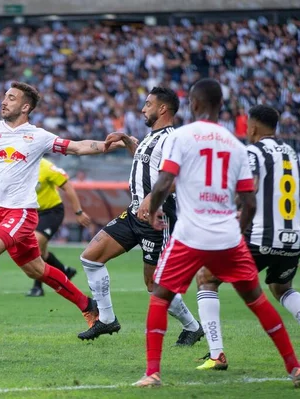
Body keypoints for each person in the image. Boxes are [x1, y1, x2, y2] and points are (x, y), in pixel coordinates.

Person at [0, 81, 136, 332]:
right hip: (2, 214)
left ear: (25, 107)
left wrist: (122, 144)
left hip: (23, 213)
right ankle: (88, 306)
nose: (4, 101)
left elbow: (78, 147)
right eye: (4, 96)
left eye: (11, 98)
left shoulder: (38, 136)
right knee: (36, 270)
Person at [134, 78, 300, 387]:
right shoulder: (236, 145)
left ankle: (152, 373)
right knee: (258, 300)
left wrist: (154, 207)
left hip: (190, 234)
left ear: (194, 104)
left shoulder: (181, 137)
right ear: (221, 106)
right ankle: (294, 368)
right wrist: (236, 233)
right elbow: (249, 203)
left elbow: (164, 180)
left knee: (160, 295)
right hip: (227, 236)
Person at [77, 87, 202, 345]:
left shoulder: (172, 139)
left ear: (163, 109)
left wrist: (152, 198)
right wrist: (126, 140)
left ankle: (192, 327)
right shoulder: (150, 137)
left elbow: (179, 176)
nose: (143, 109)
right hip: (134, 213)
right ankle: (108, 319)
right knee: (90, 258)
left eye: (148, 104)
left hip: (159, 216)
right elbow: (146, 161)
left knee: (153, 284)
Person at [195, 105, 300, 371]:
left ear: (252, 127)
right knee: (282, 288)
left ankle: (216, 354)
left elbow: (248, 190)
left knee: (206, 277)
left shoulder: (251, 152)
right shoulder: (292, 154)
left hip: (259, 236)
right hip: (292, 238)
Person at [26, 157, 91, 297]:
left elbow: (68, 187)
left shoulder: (46, 167)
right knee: (42, 254)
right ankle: (65, 270)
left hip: (51, 212)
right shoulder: (19, 167)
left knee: (35, 245)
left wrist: (78, 212)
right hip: (32, 213)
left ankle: (37, 287)